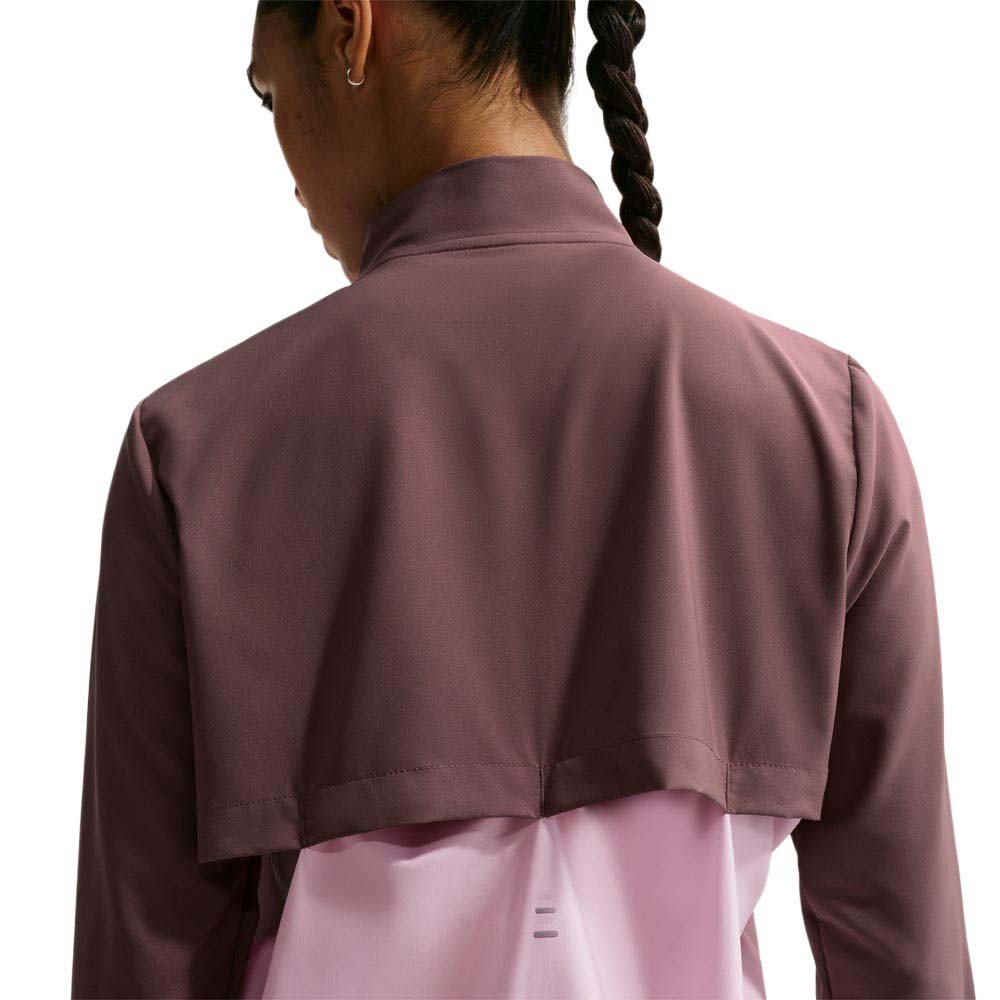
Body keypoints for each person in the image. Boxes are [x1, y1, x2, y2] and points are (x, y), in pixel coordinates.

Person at [70, 2, 975, 998]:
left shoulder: (199, 450)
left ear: (349, 30)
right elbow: (902, 958)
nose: (286, 166)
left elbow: (146, 965)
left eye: (269, 93)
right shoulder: (825, 425)